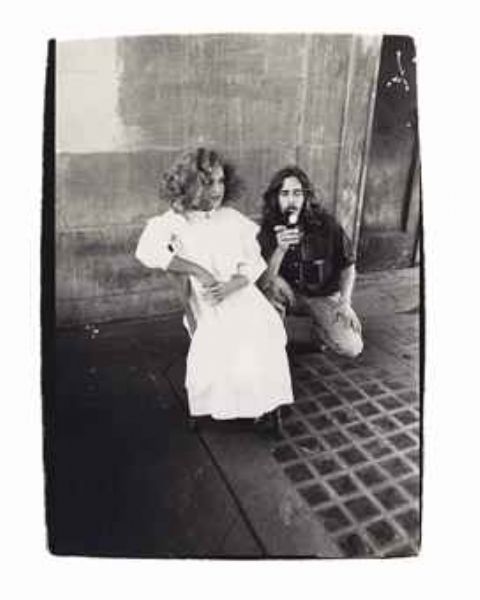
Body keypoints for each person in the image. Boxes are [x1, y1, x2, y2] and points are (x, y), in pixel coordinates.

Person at [135, 148, 293, 433]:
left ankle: (263, 402)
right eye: (207, 182)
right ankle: (223, 403)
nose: (217, 189)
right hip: (207, 301)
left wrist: (231, 286)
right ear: (189, 183)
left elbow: (253, 264)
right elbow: (147, 251)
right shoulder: (175, 221)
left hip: (239, 293)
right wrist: (198, 270)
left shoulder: (231, 218)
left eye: (220, 181)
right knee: (225, 340)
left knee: (264, 330)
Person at [257, 165, 363, 358]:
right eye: (285, 194)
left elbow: (348, 265)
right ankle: (274, 337)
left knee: (351, 347)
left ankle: (315, 330)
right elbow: (264, 281)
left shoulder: (326, 224)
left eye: (297, 193)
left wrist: (345, 302)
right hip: (287, 293)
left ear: (305, 197)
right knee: (270, 289)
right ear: (276, 198)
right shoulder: (269, 227)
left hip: (322, 295)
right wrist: (280, 250)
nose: (291, 200)